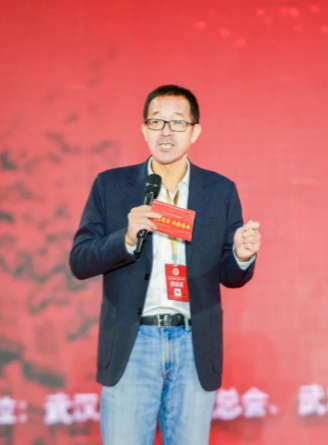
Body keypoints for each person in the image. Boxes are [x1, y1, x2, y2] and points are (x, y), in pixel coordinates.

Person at [69, 84, 261, 445]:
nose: (166, 131)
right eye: (156, 122)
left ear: (194, 132)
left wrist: (241, 254)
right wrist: (126, 238)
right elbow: (80, 260)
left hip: (193, 343)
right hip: (132, 342)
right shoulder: (111, 186)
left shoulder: (219, 190)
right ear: (144, 130)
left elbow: (230, 276)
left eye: (177, 122)